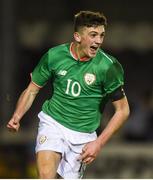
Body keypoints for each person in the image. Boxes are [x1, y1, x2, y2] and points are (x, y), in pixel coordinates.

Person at [7, 10, 130, 179]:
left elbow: (123, 111)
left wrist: (98, 143)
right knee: (45, 175)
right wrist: (17, 115)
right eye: (93, 35)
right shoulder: (54, 56)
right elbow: (32, 89)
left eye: (101, 35)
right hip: (53, 123)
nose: (98, 41)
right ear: (78, 37)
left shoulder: (108, 67)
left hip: (83, 135)